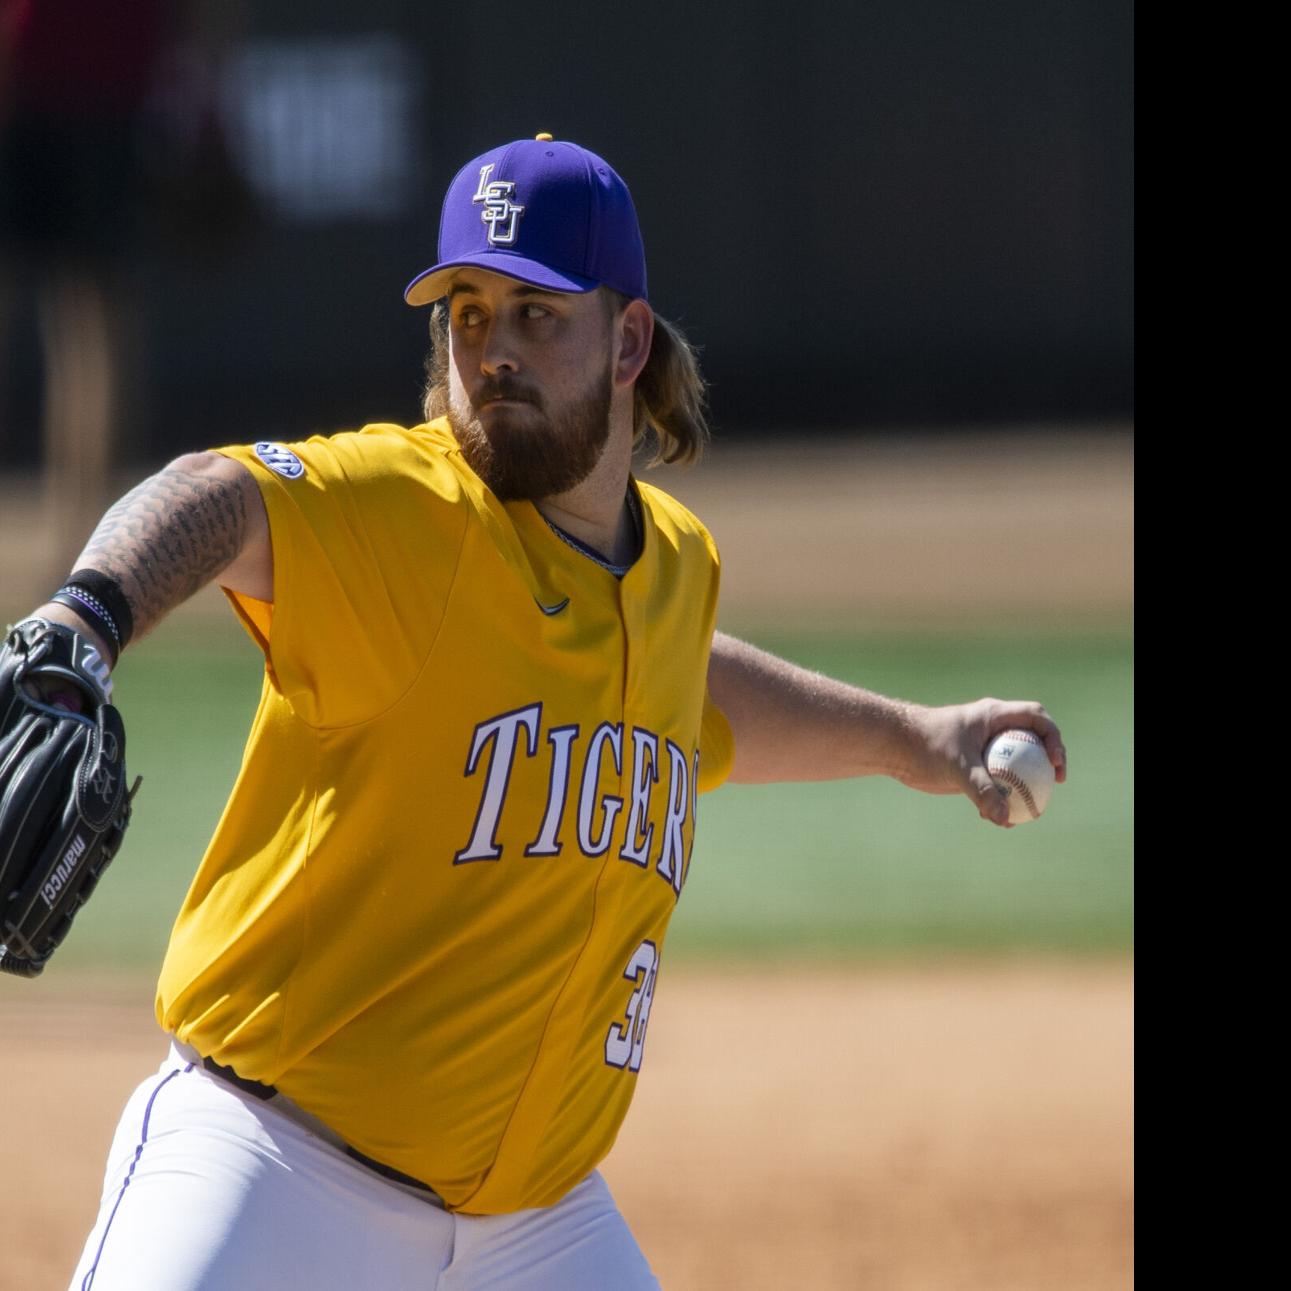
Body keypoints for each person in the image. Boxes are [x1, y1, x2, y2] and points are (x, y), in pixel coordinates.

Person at [35, 134, 1066, 1290]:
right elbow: (214, 494)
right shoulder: (411, 516)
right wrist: (86, 622)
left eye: (537, 315)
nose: (494, 352)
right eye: (468, 315)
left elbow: (686, 686)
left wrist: (909, 738)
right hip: (275, 1166)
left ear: (628, 342)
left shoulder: (674, 568)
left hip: (539, 1226)